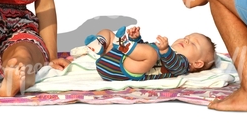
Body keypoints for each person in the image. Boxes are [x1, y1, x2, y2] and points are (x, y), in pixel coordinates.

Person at [80, 26, 217, 81]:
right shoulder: (163, 49)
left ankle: (125, 45)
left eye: (193, 43)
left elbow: (172, 63)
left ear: (197, 63)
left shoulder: (182, 64)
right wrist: (137, 39)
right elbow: (142, 51)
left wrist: (165, 51)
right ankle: (99, 44)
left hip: (127, 70)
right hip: (113, 59)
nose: (186, 41)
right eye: (186, 37)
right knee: (107, 32)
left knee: (151, 54)